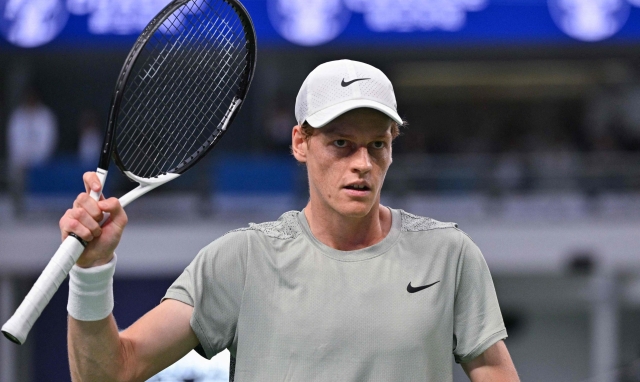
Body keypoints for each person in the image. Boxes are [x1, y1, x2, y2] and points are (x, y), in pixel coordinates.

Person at [61, 60, 519, 381]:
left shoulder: (449, 254)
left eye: (377, 145)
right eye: (341, 143)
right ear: (300, 142)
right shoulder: (240, 260)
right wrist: (91, 272)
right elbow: (112, 372)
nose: (362, 162)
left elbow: (495, 370)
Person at [7, 87, 58, 215]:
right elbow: (13, 140)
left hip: (42, 159)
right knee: (14, 171)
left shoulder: (45, 115)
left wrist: (38, 157)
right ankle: (18, 207)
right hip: (22, 159)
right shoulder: (18, 116)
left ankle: (47, 208)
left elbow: (49, 140)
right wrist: (22, 157)